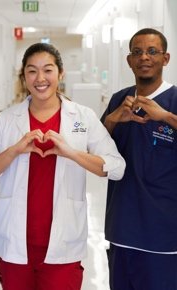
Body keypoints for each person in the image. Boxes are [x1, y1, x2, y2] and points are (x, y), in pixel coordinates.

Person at [0, 42, 125, 290]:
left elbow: (116, 168)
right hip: (15, 243)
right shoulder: (7, 120)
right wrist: (15, 150)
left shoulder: (82, 118)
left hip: (63, 244)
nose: (40, 78)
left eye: (48, 70)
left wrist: (73, 153)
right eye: (32, 71)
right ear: (24, 77)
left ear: (60, 73)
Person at [101, 28, 177, 290]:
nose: (144, 57)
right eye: (137, 52)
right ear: (129, 60)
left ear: (165, 58)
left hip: (164, 236)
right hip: (121, 229)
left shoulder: (174, 100)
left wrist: (166, 117)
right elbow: (95, 152)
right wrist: (112, 119)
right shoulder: (117, 100)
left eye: (152, 51)